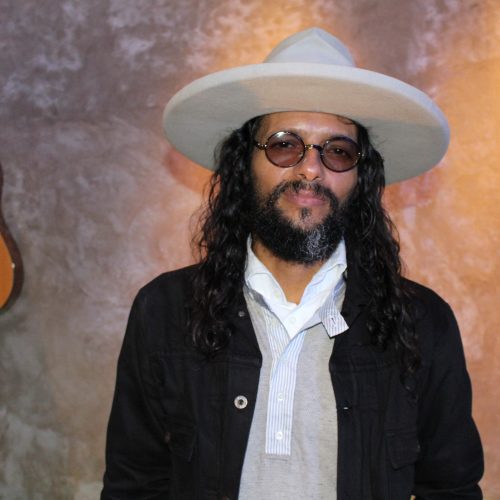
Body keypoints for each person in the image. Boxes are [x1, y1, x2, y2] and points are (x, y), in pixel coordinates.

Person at [101, 28, 483, 499]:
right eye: (285, 144)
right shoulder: (164, 310)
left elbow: (451, 489)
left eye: (338, 151)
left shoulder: (421, 323)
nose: (310, 169)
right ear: (245, 164)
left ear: (361, 178)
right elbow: (134, 485)